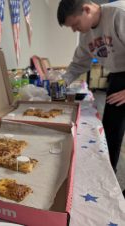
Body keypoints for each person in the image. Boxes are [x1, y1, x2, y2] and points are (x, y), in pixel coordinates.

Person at [57, 0, 125, 192]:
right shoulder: (86, 35)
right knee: (111, 130)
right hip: (118, 76)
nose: (75, 30)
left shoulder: (119, 14)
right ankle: (107, 178)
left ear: (87, 9)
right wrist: (61, 83)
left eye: (75, 24)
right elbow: (78, 64)